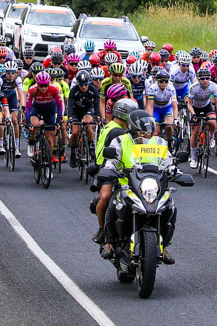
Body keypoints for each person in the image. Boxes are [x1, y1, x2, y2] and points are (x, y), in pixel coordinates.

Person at [100, 109, 177, 264]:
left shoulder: (160, 142)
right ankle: (108, 241)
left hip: (154, 187)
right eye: (141, 133)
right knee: (113, 204)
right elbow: (112, 159)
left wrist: (176, 171)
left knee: (171, 207)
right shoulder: (121, 141)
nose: (145, 136)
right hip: (127, 185)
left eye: (147, 133)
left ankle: (164, 245)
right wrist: (109, 169)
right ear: (133, 130)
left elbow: (169, 162)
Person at [92, 99, 138, 256]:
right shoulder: (118, 131)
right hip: (108, 168)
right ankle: (103, 233)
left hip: (115, 167)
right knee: (107, 197)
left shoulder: (114, 126)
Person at [26, 71, 63, 161]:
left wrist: (58, 122)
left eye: (46, 85)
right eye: (41, 86)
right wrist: (28, 123)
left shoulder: (54, 89)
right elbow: (28, 108)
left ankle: (48, 159)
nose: (43, 88)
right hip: (37, 109)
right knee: (34, 125)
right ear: (37, 84)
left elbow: (60, 106)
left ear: (49, 83)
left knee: (50, 139)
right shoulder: (32, 89)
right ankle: (31, 142)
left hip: (50, 110)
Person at [68, 70, 100, 166]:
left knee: (88, 125)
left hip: (87, 110)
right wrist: (70, 118)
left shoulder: (92, 89)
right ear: (78, 83)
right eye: (81, 84)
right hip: (75, 111)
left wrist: (98, 116)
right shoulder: (74, 90)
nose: (83, 87)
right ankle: (73, 152)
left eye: (85, 84)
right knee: (75, 132)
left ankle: (91, 146)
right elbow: (70, 105)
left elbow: (97, 104)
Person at [0, 62, 24, 158]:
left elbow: (21, 93)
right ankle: (1, 140)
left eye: (13, 73)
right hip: (2, 98)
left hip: (12, 98)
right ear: (5, 72)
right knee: (3, 117)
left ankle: (16, 148)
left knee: (15, 120)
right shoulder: (0, 79)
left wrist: (22, 105)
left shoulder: (18, 79)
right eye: (8, 73)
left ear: (16, 72)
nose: (11, 75)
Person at [145, 70, 178, 143]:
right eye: (161, 81)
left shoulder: (171, 88)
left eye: (166, 81)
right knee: (156, 133)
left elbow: (174, 105)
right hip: (156, 109)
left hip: (167, 108)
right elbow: (150, 106)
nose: (164, 83)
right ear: (157, 81)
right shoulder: (152, 88)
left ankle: (169, 141)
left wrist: (175, 119)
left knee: (169, 126)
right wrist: (150, 118)